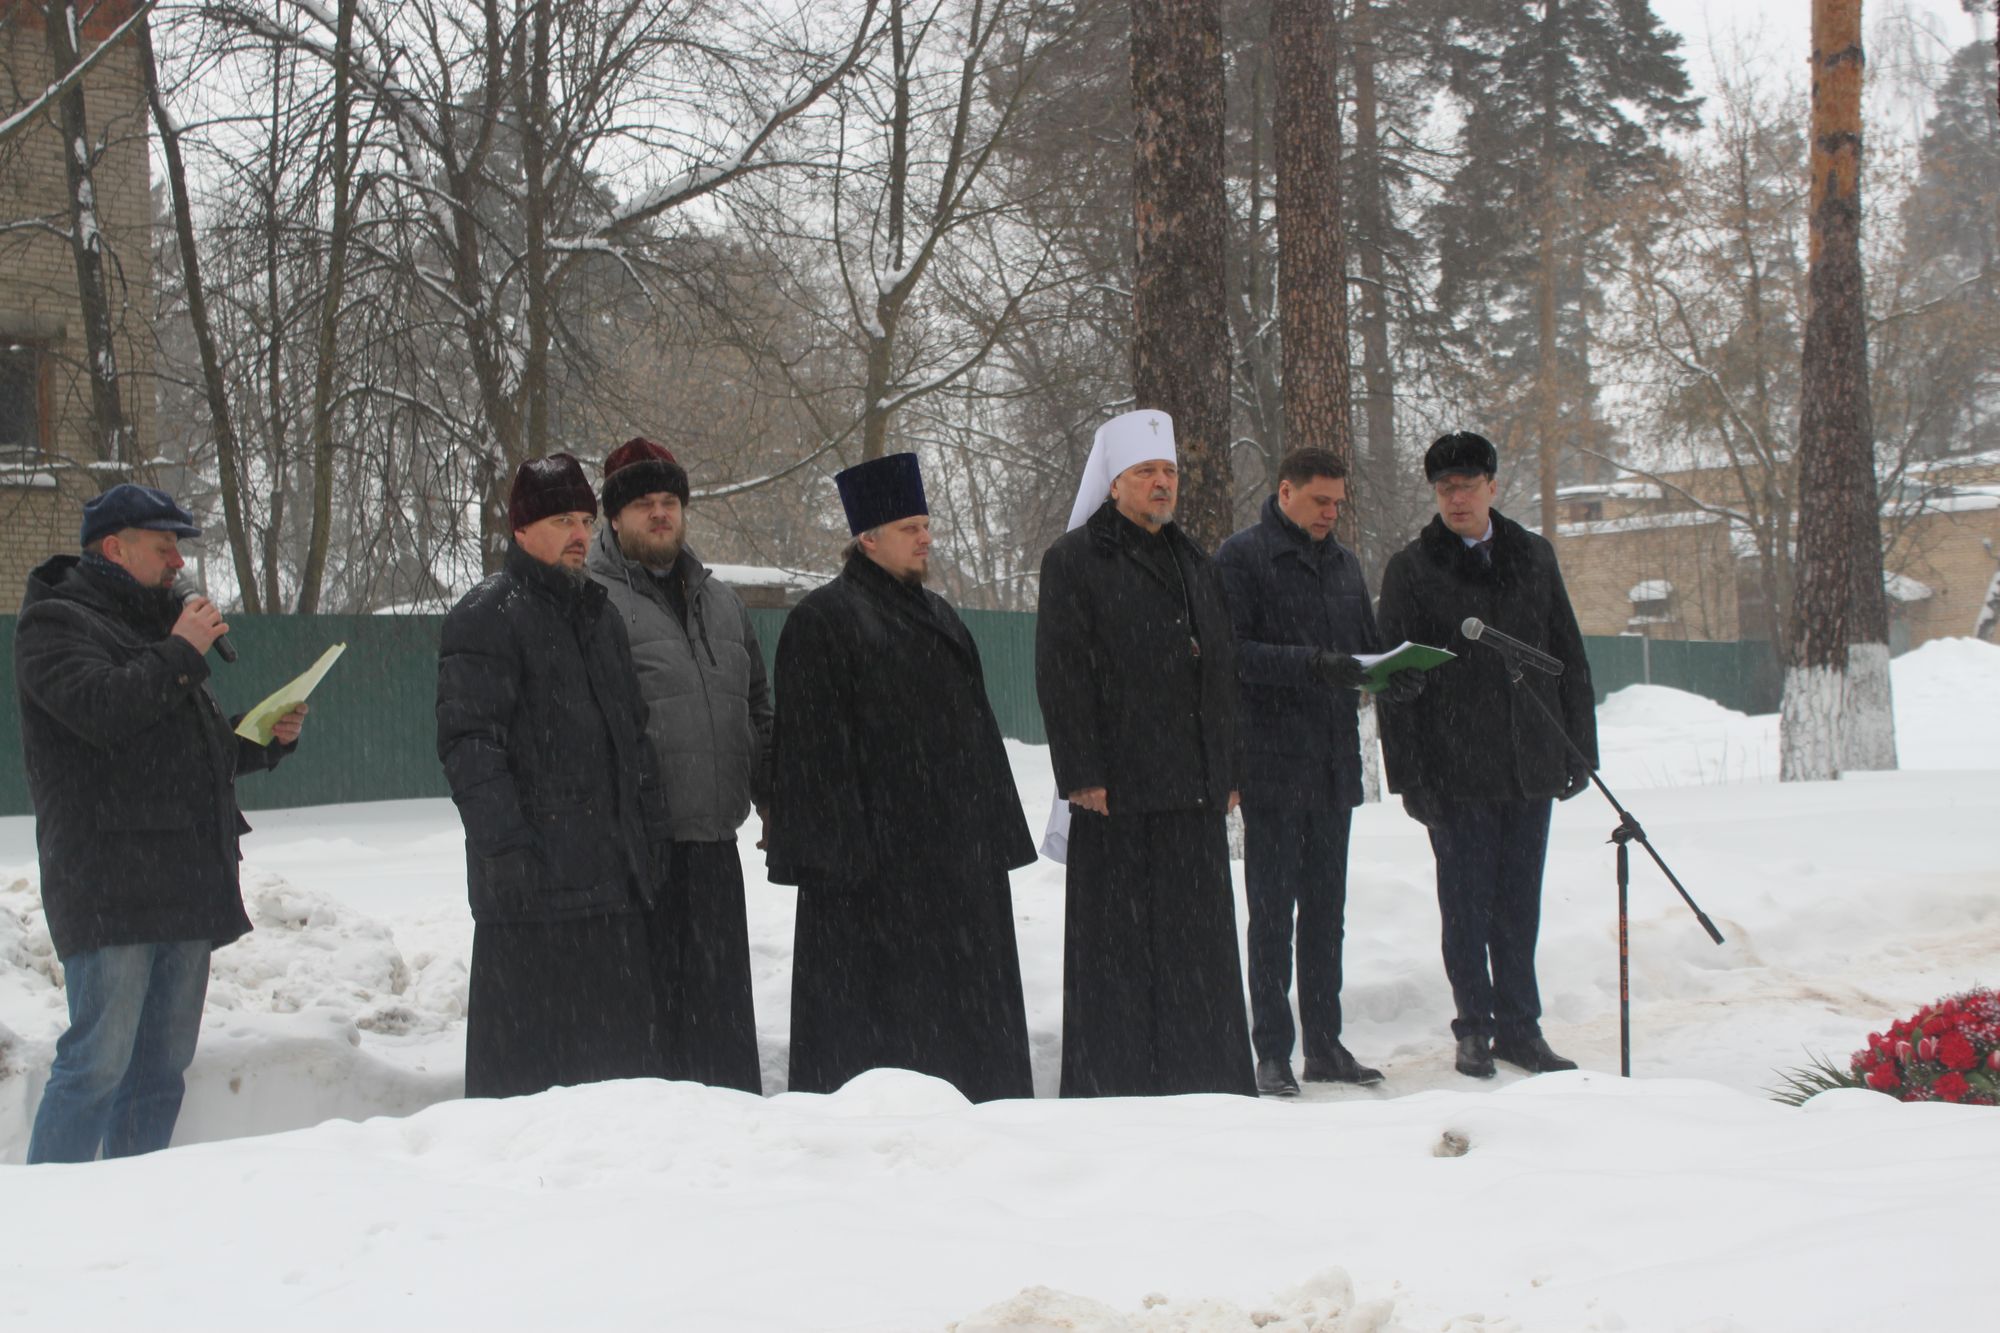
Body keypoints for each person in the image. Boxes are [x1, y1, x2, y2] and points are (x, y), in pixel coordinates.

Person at [17, 482, 307, 1163]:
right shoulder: (55, 623)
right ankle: (47, 1214)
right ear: (114, 549)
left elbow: (174, 751)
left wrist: (264, 736)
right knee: (96, 1064)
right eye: (163, 545)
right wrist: (180, 651)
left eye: (178, 546)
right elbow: (102, 711)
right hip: (109, 883)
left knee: (160, 1070)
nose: (178, 562)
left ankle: (138, 1206)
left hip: (183, 881)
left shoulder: (159, 628)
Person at [765, 453, 1034, 1102]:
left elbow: (979, 734)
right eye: (911, 526)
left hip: (959, 872)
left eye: (926, 524)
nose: (926, 537)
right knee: (880, 1049)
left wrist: (991, 841)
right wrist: (846, 861)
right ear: (868, 537)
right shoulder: (824, 620)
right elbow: (809, 759)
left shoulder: (941, 615)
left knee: (967, 1041)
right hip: (875, 884)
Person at [1035, 409, 1256, 1098]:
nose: (1162, 484)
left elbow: (1222, 671)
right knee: (1118, 954)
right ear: (1114, 483)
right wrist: (1083, 772)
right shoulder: (1073, 561)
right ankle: (1116, 1082)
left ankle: (1206, 1077)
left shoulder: (1195, 559)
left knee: (1197, 953)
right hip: (1118, 790)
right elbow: (1062, 672)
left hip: (1192, 789)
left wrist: (1229, 768)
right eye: (1146, 473)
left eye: (1168, 473)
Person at [437, 453, 671, 1099]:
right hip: (533, 901)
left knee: (619, 1085)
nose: (580, 534)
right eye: (563, 519)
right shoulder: (486, 615)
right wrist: (507, 849)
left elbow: (634, 739)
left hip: (612, 890)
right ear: (520, 529)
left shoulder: (600, 617)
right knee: (528, 1094)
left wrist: (648, 836)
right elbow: (469, 744)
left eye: (586, 520)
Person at [1375, 431, 1598, 1078]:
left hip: (1528, 760)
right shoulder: (1413, 568)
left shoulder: (1533, 555)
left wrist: (1578, 746)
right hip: (1455, 771)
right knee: (1466, 907)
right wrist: (1412, 776)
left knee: (1518, 903)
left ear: (1493, 487)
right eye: (1445, 487)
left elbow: (1568, 655)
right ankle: (1474, 1027)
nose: (1456, 498)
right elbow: (1394, 683)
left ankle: (1521, 1029)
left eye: (1468, 485)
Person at [1216, 448, 1425, 1096]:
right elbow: (1231, 654)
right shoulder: (1243, 558)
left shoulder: (1344, 564)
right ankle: (1273, 1050)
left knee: (1327, 912)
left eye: (1338, 503)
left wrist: (1393, 676)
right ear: (1285, 492)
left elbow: (1361, 650)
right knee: (1272, 913)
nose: (1331, 513)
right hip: (1274, 763)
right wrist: (1310, 664)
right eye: (1320, 501)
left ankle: (1326, 1044)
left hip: (1335, 763)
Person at [587, 437, 769, 1094]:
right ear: (614, 516)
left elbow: (756, 705)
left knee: (721, 1019)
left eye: (670, 502)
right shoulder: (591, 600)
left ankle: (736, 1132)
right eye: (644, 504)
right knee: (653, 1027)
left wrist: (769, 795)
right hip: (638, 852)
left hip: (715, 845)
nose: (660, 514)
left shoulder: (721, 601)